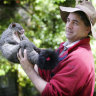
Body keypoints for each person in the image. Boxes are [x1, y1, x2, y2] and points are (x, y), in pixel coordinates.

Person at [17, 0, 96, 96]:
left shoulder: (79, 58)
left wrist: (28, 70)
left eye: (75, 23)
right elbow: (45, 74)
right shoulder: (65, 48)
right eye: (68, 20)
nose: (68, 26)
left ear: (87, 29)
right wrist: (28, 52)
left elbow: (53, 93)